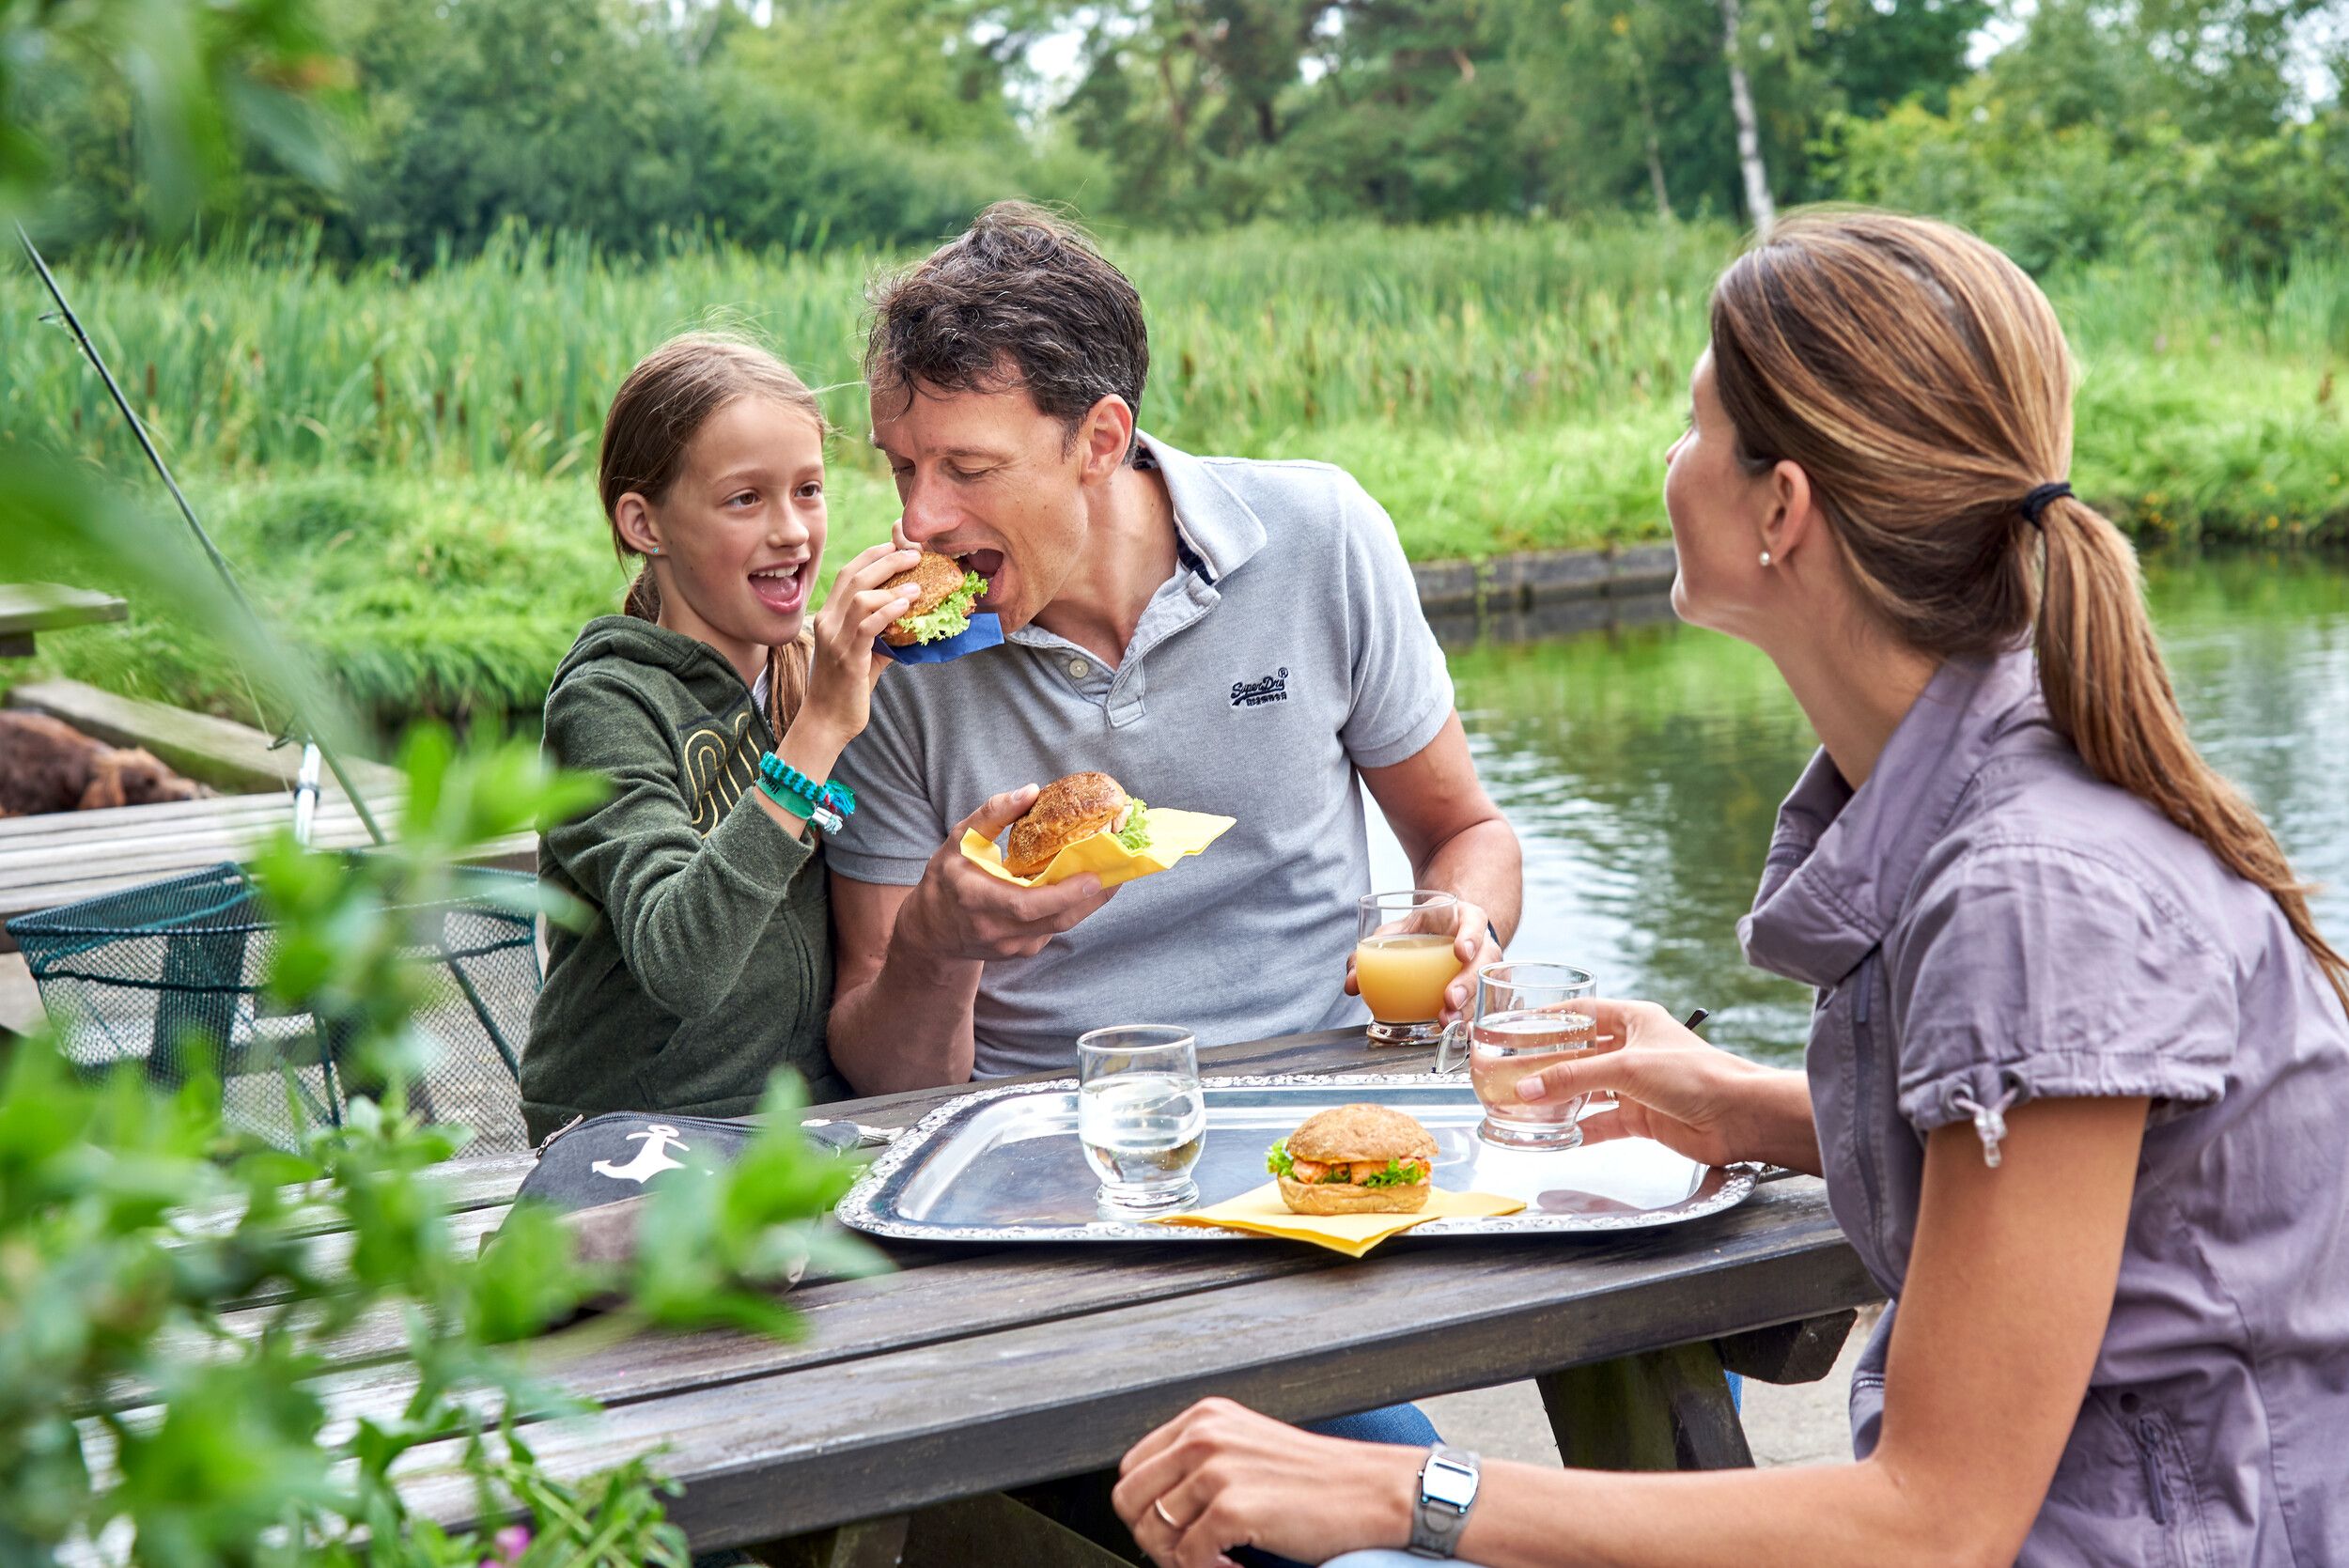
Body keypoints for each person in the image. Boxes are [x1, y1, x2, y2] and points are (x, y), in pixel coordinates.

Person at [1109, 210, 2349, 1567]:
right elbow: (2109, 1182)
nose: (1668, 459)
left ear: (1783, 506)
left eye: (1696, 423)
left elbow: (1933, 1526)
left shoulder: (2032, 897)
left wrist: (1394, 1493)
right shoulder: (1976, 803)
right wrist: (1744, 1105)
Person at [824, 202, 1524, 1094]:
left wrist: (1466, 927)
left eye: (967, 469)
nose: (918, 519)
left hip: (1327, 1084)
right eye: (902, 468)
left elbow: (1466, 829)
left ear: (1102, 441)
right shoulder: (884, 665)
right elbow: (889, 1083)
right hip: (1041, 1130)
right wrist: (933, 944)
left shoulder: (1323, 537)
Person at [521, 334, 924, 1142]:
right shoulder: (608, 705)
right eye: (745, 499)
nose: (792, 531)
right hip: (633, 1139)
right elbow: (682, 961)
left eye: (808, 490)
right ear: (645, 522)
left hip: (801, 1126)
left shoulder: (808, 667)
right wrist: (816, 734)